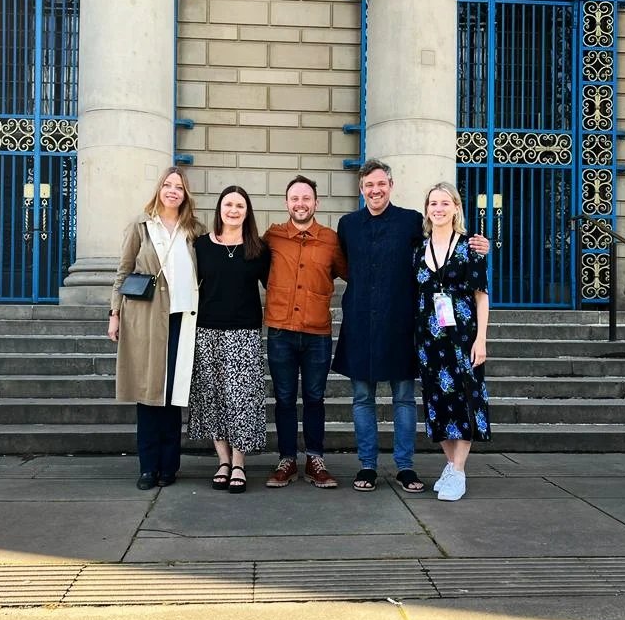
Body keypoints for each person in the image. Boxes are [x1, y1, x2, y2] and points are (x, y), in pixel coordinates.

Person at [332, 159, 489, 492]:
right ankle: (367, 466)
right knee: (362, 398)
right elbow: (345, 267)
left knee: (404, 398)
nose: (375, 190)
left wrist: (482, 245)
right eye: (368, 185)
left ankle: (405, 467)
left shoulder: (410, 222)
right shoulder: (347, 225)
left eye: (381, 184)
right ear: (361, 189)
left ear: (391, 185)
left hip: (402, 323)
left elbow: (444, 243)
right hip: (360, 323)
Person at [108, 166, 205, 490]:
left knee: (173, 396)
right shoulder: (141, 225)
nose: (173, 191)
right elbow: (123, 272)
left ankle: (169, 466)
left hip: (182, 319)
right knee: (149, 396)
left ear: (185, 193)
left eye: (179, 186)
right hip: (146, 320)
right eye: (168, 185)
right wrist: (114, 314)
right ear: (159, 189)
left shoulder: (194, 230)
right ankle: (148, 467)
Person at [262, 175, 348, 489]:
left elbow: (353, 272)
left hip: (317, 333)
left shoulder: (330, 239)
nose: (301, 204)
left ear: (316, 203)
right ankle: (286, 459)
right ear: (287, 203)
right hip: (281, 331)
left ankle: (314, 459)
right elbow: (256, 269)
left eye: (306, 198)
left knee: (314, 397)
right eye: (295, 198)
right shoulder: (272, 237)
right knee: (284, 398)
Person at [188, 186, 271, 494]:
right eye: (228, 204)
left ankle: (239, 462)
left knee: (241, 399)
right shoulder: (201, 246)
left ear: (247, 211)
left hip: (245, 333)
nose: (233, 210)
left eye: (239, 205)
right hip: (206, 331)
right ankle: (222, 460)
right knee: (213, 397)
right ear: (219, 209)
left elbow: (276, 286)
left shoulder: (258, 250)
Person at [415, 182, 490, 501]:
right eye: (433, 203)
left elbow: (481, 296)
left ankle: (458, 471)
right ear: (427, 209)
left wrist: (481, 340)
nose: (439, 208)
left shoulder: (471, 246)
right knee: (437, 403)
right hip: (429, 338)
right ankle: (449, 463)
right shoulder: (419, 248)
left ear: (456, 207)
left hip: (462, 336)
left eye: (445, 203)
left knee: (464, 400)